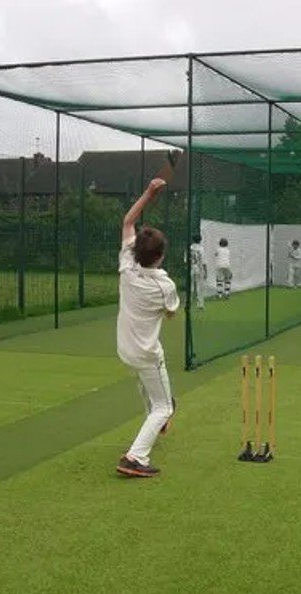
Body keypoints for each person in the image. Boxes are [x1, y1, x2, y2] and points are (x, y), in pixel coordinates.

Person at [115, 178, 179, 478]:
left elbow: (128, 221)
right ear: (160, 256)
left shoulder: (126, 263)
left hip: (124, 349)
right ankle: (135, 457)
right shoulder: (164, 284)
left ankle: (153, 419)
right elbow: (170, 314)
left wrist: (149, 194)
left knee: (150, 387)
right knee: (164, 407)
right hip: (145, 352)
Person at [189, 234, 206, 309]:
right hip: (199, 268)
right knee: (199, 286)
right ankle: (200, 304)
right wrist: (206, 271)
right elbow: (203, 261)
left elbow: (186, 260)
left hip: (191, 268)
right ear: (200, 240)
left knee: (191, 286)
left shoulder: (189, 248)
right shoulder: (201, 249)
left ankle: (189, 302)